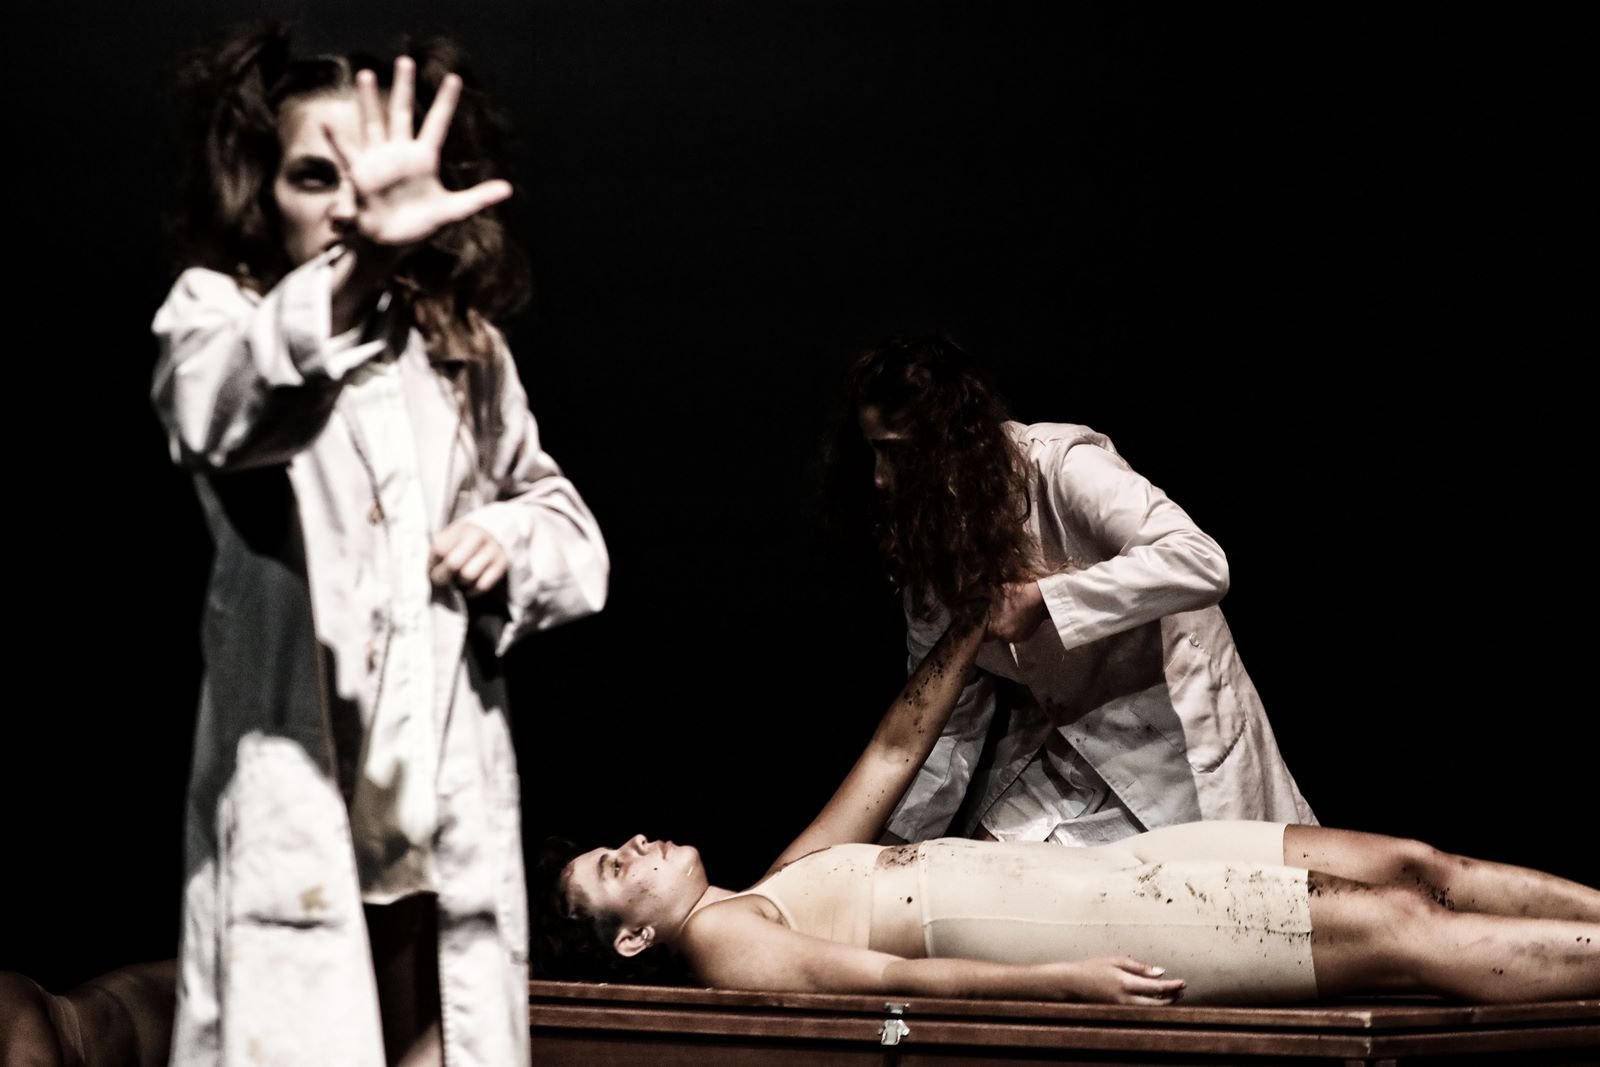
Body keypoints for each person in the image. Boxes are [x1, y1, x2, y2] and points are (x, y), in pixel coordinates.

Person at [151, 26, 609, 1066]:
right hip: (302, 806)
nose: (350, 204)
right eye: (316, 177)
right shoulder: (222, 315)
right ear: (263, 192)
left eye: (364, 176)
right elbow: (221, 415)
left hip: (431, 811)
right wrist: (362, 265)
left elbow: (572, 534)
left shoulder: (461, 351)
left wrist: (508, 533)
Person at [535, 608, 1600, 1005]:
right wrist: (1064, 983)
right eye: (615, 869)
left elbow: (894, 749)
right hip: (1089, 919)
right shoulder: (723, 941)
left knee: (1414, 863)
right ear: (632, 938)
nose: (635, 842)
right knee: (1405, 924)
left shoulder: (774, 884)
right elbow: (896, 983)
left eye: (617, 843)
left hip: (1114, 865)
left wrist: (968, 623)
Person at [823, 335, 1314, 847]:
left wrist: (1045, 601)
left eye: (896, 453)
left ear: (948, 439)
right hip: (1066, 749)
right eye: (873, 452)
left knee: (1214, 883)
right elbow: (943, 723)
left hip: (1177, 739)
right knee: (985, 870)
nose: (880, 479)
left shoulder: (1060, 466)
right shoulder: (931, 548)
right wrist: (887, 851)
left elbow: (1201, 561)